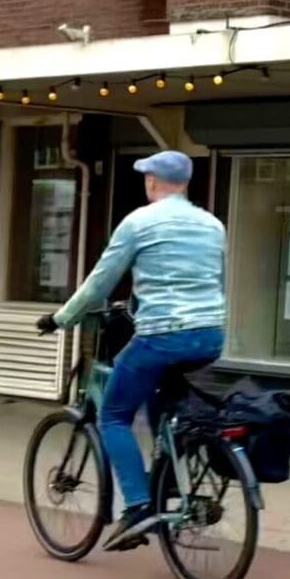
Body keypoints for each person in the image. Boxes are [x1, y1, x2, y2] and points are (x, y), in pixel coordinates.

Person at [38, 150, 226, 552]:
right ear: (185, 183)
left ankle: (138, 507)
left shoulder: (139, 222)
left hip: (161, 336)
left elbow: (99, 285)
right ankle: (168, 481)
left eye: (146, 177)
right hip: (210, 336)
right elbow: (207, 280)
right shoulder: (213, 225)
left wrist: (60, 318)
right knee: (163, 403)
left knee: (114, 416)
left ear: (153, 181)